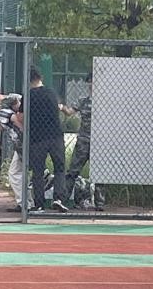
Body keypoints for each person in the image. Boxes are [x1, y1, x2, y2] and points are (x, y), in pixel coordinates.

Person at [19, 67, 68, 214]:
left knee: (38, 171)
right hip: (55, 135)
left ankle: (39, 204)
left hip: (37, 137)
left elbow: (21, 117)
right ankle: (59, 198)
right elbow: (58, 109)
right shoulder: (51, 93)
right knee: (59, 168)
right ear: (40, 77)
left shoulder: (28, 96)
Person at [62, 73, 105, 211]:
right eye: (90, 82)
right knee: (73, 170)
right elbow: (70, 111)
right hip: (83, 140)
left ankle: (100, 202)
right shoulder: (83, 101)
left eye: (94, 81)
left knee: (100, 173)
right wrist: (61, 106)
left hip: (100, 141)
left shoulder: (106, 101)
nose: (92, 84)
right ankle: (63, 199)